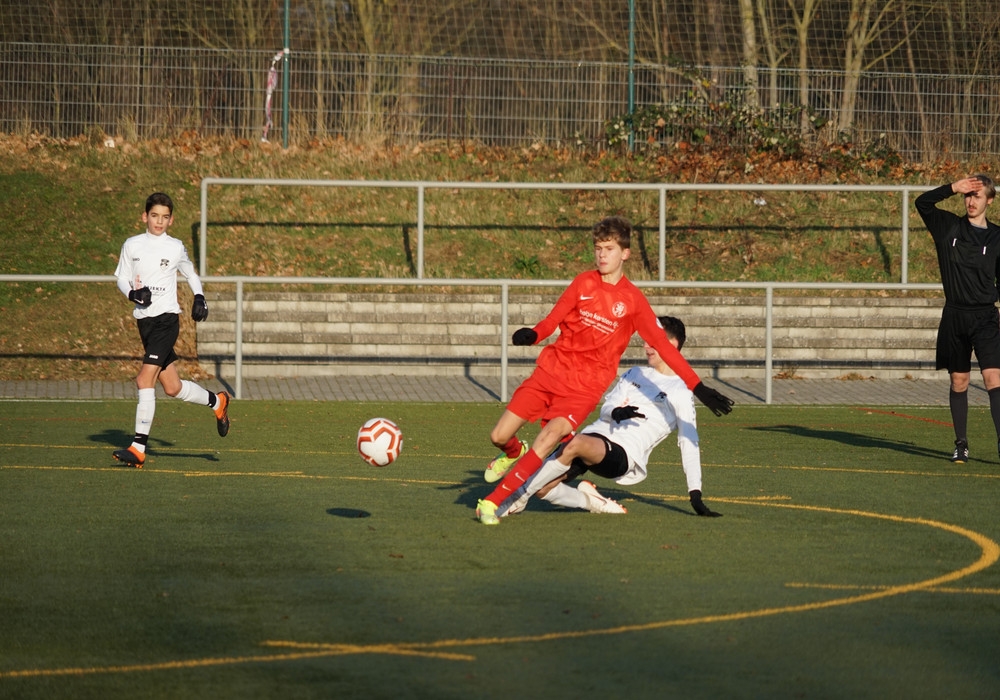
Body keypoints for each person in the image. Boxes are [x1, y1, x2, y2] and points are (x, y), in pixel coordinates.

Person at [476, 216, 733, 525]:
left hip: (584, 389)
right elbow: (553, 319)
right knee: (499, 435)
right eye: (598, 248)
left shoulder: (634, 301)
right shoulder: (583, 282)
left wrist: (697, 386)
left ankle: (494, 502)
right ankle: (514, 452)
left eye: (609, 249)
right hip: (551, 371)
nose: (601, 255)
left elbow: (664, 347)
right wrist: (534, 334)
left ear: (625, 253)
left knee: (551, 437)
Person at [497, 316, 721, 520]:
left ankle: (516, 498)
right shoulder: (635, 373)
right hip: (593, 437)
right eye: (646, 340)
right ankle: (592, 502)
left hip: (623, 454)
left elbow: (689, 442)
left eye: (652, 341)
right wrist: (615, 412)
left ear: (672, 344)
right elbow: (608, 406)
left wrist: (695, 494)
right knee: (543, 489)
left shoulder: (681, 390)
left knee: (573, 443)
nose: (646, 346)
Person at [111, 192, 231, 467]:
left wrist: (199, 297)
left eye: (165, 217)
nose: (159, 221)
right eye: (154, 215)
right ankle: (217, 402)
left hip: (166, 321)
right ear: (145, 216)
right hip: (145, 322)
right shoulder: (132, 245)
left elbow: (190, 273)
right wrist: (132, 294)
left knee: (144, 380)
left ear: (171, 220)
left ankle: (138, 448)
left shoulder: (175, 247)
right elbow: (121, 278)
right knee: (173, 387)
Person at [916, 175, 1000, 463]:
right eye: (968, 195)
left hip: (985, 316)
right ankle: (961, 444)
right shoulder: (948, 227)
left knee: (993, 378)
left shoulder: (997, 237)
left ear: (990, 200)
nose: (971, 201)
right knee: (959, 381)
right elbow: (922, 203)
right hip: (955, 316)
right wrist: (953, 187)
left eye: (978, 196)